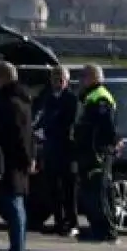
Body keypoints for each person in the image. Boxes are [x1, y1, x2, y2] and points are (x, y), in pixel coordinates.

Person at [0, 62, 37, 251]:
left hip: (12, 162)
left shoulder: (10, 103)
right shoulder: (21, 100)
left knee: (13, 206)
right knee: (15, 207)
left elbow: (19, 136)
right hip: (18, 162)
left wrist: (26, 159)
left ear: (3, 78)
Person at [70, 67, 120, 244]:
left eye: (84, 76)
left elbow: (106, 127)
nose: (82, 80)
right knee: (90, 194)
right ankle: (96, 228)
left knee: (99, 194)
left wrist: (104, 148)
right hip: (88, 152)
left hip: (96, 153)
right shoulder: (89, 96)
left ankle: (106, 231)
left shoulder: (100, 97)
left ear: (92, 77)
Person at [30, 74, 77, 235]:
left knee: (68, 190)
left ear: (66, 81)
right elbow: (43, 119)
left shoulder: (71, 99)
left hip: (65, 150)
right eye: (56, 79)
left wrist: (49, 129)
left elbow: (68, 123)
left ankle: (72, 222)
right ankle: (59, 221)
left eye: (61, 79)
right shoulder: (49, 99)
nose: (58, 82)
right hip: (51, 150)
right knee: (53, 189)